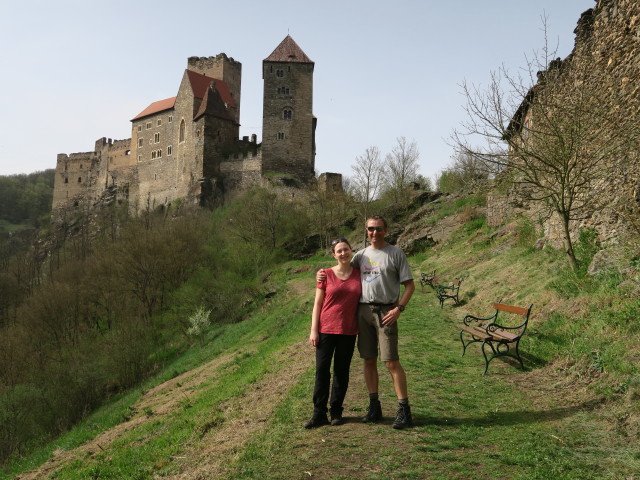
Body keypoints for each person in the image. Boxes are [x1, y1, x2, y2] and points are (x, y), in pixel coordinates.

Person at [317, 215, 415, 429]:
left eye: (379, 228)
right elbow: (341, 268)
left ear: (385, 230)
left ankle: (404, 409)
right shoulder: (360, 256)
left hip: (387, 311)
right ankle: (374, 406)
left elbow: (409, 286)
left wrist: (399, 308)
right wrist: (321, 274)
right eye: (371, 228)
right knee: (368, 359)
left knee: (391, 361)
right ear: (366, 230)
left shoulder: (395, 253)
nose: (374, 232)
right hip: (362, 311)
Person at [305, 237, 362, 429]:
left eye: (346, 249)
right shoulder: (326, 275)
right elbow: (317, 304)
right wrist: (314, 330)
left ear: (351, 251)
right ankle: (318, 414)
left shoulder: (358, 274)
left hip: (348, 330)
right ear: (334, 255)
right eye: (339, 251)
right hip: (326, 329)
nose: (343, 253)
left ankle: (336, 412)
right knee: (322, 372)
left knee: (341, 372)